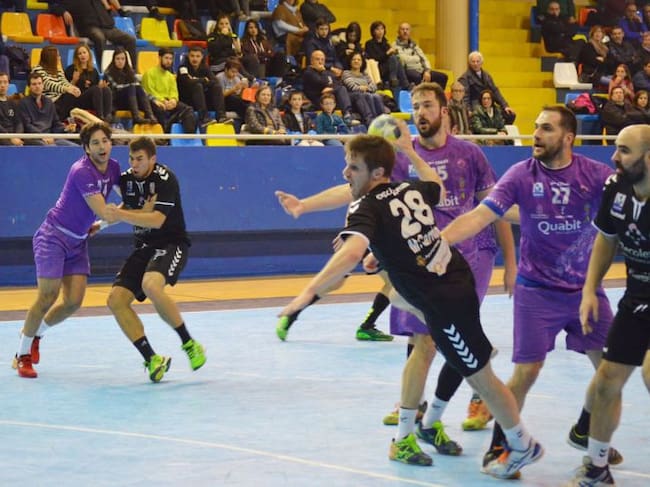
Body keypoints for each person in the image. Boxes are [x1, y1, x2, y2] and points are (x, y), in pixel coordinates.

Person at [278, 132, 543, 478]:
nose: (345, 173)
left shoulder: (365, 206)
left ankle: (521, 445)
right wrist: (412, 155)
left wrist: (307, 294)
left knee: (482, 378)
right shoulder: (409, 189)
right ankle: (424, 425)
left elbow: (351, 254)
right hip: (455, 280)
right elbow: (436, 186)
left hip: (442, 299)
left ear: (377, 173)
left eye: (353, 167)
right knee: (407, 306)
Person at [439, 105, 624, 469]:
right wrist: (436, 243)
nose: (536, 134)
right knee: (527, 372)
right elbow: (480, 215)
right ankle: (502, 445)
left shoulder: (595, 174)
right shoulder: (521, 174)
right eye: (536, 127)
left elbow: (629, 204)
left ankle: (586, 430)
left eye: (546, 128)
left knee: (610, 373)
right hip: (536, 291)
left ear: (568, 137)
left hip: (585, 290)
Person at [565, 124, 650, 487]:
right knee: (605, 382)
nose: (614, 157)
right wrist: (589, 290)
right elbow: (606, 239)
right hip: (636, 299)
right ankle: (597, 468)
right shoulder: (616, 187)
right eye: (616, 148)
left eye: (624, 151)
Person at [12, 122, 120, 378]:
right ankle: (22, 355)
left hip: (78, 242)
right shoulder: (81, 171)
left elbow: (128, 200)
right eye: (95, 143)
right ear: (86, 148)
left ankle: (36, 334)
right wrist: (137, 214)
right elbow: (104, 210)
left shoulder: (114, 168)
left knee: (73, 301)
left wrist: (101, 225)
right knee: (47, 296)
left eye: (105, 141)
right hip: (53, 237)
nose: (102, 147)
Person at [104, 136, 206, 382]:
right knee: (115, 301)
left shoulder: (165, 179)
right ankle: (152, 359)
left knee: (151, 285)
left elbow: (157, 220)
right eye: (131, 159)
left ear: (153, 159)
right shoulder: (127, 180)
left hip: (171, 243)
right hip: (144, 247)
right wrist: (101, 224)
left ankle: (189, 344)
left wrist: (121, 214)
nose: (134, 164)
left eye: (140, 159)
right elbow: (127, 208)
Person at [58, 0, 137, 68]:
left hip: (108, 26)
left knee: (130, 39)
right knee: (100, 38)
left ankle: (132, 70)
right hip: (89, 27)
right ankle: (103, 68)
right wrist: (63, 12)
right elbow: (55, 6)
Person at [142, 48, 197, 134]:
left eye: (170, 59)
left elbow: (174, 92)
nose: (168, 61)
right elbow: (149, 92)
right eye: (166, 58)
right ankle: (165, 136)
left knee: (188, 110)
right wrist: (163, 101)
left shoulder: (171, 76)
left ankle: (189, 136)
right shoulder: (149, 73)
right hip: (156, 102)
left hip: (169, 102)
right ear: (160, 58)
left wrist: (173, 100)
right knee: (160, 110)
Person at [18, 72, 78, 146]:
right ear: (29, 87)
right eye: (34, 84)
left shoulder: (49, 102)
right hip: (34, 138)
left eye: (39, 83)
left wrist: (65, 128)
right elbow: (27, 125)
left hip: (51, 137)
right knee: (50, 147)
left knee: (74, 147)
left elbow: (56, 124)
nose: (37, 86)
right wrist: (42, 136)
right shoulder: (23, 103)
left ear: (43, 85)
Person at [177, 45, 231, 127]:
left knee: (216, 87)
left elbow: (214, 81)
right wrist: (203, 80)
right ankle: (204, 118)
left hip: (201, 99)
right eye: (192, 56)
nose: (195, 59)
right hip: (187, 100)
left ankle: (221, 116)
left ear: (202, 57)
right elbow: (187, 82)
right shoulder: (183, 67)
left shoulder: (205, 67)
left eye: (197, 56)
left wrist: (195, 79)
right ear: (188, 56)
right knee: (197, 86)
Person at [457, 51, 516, 123]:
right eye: (473, 62)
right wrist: (468, 111)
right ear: (469, 63)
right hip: (475, 107)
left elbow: (495, 91)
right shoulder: (464, 78)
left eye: (477, 61)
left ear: (481, 63)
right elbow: (465, 97)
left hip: (489, 105)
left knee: (510, 115)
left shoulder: (487, 75)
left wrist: (505, 106)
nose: (475, 64)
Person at [104, 47, 157, 125]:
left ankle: (150, 115)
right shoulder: (108, 73)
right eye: (117, 59)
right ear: (113, 60)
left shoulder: (130, 72)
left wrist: (154, 99)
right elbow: (116, 88)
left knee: (138, 88)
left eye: (123, 59)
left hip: (130, 101)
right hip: (117, 101)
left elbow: (140, 89)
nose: (120, 61)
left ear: (126, 60)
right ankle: (136, 117)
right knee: (132, 88)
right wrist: (130, 86)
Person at [302, 50, 356, 125]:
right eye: (317, 59)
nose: (320, 62)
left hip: (332, 98)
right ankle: (347, 115)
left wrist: (331, 88)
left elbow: (338, 83)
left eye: (322, 60)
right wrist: (323, 73)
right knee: (341, 89)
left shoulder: (327, 72)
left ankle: (365, 119)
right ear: (311, 61)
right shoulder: (308, 72)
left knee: (358, 95)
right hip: (319, 100)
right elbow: (321, 82)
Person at [64, 44, 113, 123]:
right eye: (79, 54)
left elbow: (96, 90)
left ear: (89, 54)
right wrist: (74, 81)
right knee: (96, 89)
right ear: (76, 57)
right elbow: (66, 90)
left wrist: (101, 86)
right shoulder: (71, 69)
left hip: (91, 100)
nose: (82, 55)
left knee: (106, 89)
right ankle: (100, 117)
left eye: (84, 52)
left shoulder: (94, 71)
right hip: (77, 99)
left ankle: (108, 116)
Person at [31, 45, 82, 121]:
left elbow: (64, 82)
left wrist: (73, 88)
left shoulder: (58, 70)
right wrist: (67, 89)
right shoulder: (38, 69)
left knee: (94, 90)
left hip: (60, 101)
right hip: (49, 102)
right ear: (51, 58)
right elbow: (48, 84)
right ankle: (59, 121)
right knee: (70, 96)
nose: (59, 58)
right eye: (57, 56)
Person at [393, 22, 448, 88]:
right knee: (417, 77)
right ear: (398, 32)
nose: (405, 31)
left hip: (421, 70)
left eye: (407, 29)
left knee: (443, 77)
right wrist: (417, 58)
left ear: (410, 32)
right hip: (407, 71)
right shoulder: (395, 45)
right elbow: (404, 59)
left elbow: (424, 59)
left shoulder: (414, 45)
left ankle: (437, 94)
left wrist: (427, 71)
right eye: (403, 29)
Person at [364, 20, 409, 100]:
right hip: (377, 68)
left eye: (382, 29)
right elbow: (374, 58)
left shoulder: (386, 43)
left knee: (396, 58)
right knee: (393, 58)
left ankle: (396, 80)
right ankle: (403, 83)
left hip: (388, 67)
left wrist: (392, 53)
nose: (380, 31)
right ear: (373, 31)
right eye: (377, 29)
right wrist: (387, 53)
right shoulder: (369, 43)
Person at [342, 52, 385, 126]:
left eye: (359, 60)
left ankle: (383, 119)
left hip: (366, 95)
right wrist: (364, 87)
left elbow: (374, 87)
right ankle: (371, 120)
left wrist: (365, 88)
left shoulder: (365, 74)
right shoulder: (346, 73)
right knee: (367, 95)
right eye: (354, 59)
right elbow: (352, 87)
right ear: (350, 61)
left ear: (362, 62)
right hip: (354, 98)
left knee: (376, 96)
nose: (356, 61)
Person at [216, 57, 251, 121]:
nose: (234, 74)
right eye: (232, 72)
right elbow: (220, 95)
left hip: (235, 100)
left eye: (236, 72)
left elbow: (240, 95)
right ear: (226, 69)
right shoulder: (220, 77)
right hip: (224, 102)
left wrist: (244, 89)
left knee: (247, 102)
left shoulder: (236, 78)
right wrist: (233, 89)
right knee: (232, 98)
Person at [0, 71, 23, 146]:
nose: (2, 85)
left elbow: (19, 122)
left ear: (8, 84)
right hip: (2, 137)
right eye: (0, 82)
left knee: (34, 143)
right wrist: (10, 138)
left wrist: (17, 136)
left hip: (14, 137)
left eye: (5, 82)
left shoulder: (13, 103)